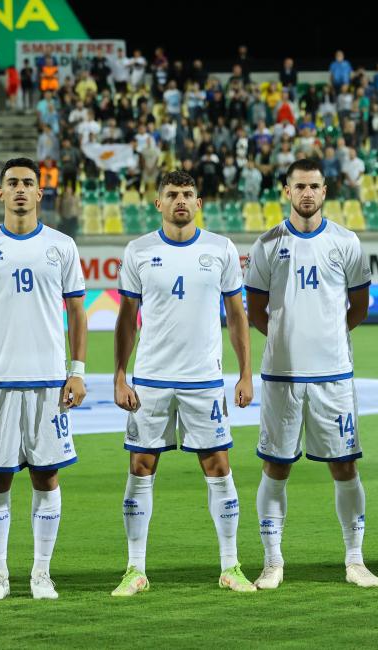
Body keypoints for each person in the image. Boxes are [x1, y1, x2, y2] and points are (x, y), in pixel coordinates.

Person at [111, 170, 255, 596]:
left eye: (188, 194)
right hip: (151, 379)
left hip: (203, 380)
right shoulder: (139, 251)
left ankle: (230, 566)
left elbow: (237, 316)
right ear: (158, 203)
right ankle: (135, 569)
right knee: (141, 467)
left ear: (198, 203)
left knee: (218, 467)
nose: (180, 200)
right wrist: (119, 375)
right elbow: (126, 320)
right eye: (172, 194)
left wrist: (245, 373)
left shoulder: (220, 249)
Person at [0, 158, 87, 601]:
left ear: (39, 193)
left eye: (28, 183)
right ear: (0, 193)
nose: (20, 189)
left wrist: (77, 372)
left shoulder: (61, 246)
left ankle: (41, 573)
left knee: (47, 477)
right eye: (12, 183)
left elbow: (77, 312)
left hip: (50, 383)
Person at [244, 158, 378, 590]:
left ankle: (355, 560)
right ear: (287, 191)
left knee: (345, 466)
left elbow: (359, 306)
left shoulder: (346, 241)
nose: (307, 193)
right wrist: (287, 338)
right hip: (281, 376)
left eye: (314, 186)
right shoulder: (267, 244)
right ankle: (272, 562)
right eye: (299, 186)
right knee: (275, 468)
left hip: (333, 376)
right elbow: (256, 310)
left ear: (325, 191)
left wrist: (327, 337)